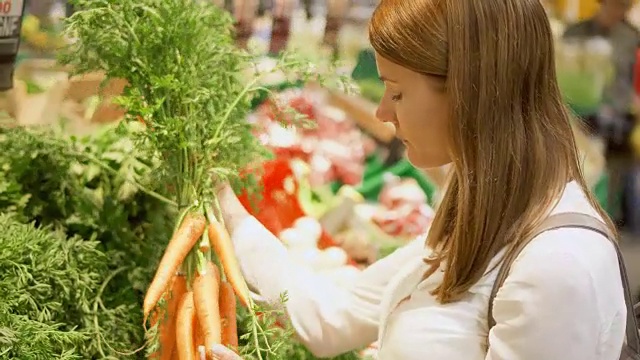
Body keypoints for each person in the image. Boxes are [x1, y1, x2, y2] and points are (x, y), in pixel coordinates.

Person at [212, 0, 626, 359]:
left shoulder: (558, 267)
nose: (382, 114)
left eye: (396, 91)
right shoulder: (482, 208)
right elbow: (337, 314)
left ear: (469, 91)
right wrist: (228, 209)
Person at [563, 0, 640, 226]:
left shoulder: (631, 37)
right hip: (581, 112)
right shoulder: (576, 31)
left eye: (624, 7)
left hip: (620, 114)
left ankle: (610, 218)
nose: (619, 12)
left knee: (616, 171)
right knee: (586, 166)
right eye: (615, 5)